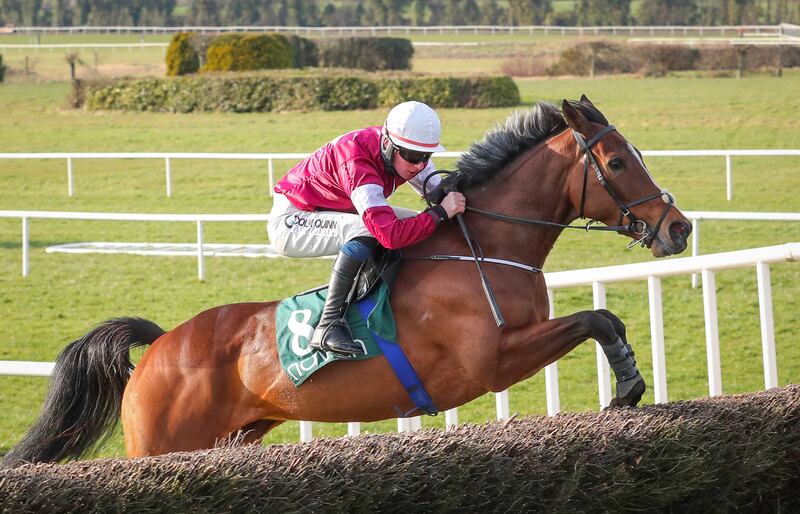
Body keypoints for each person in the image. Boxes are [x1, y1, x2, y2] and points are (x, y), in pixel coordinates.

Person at [268, 101, 467, 358]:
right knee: (375, 228)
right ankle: (327, 325)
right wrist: (440, 213)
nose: (419, 165)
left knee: (418, 223)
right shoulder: (358, 160)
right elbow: (390, 234)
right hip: (293, 220)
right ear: (387, 144)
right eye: (413, 157)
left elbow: (439, 195)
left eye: (425, 157)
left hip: (335, 212)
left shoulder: (406, 150)